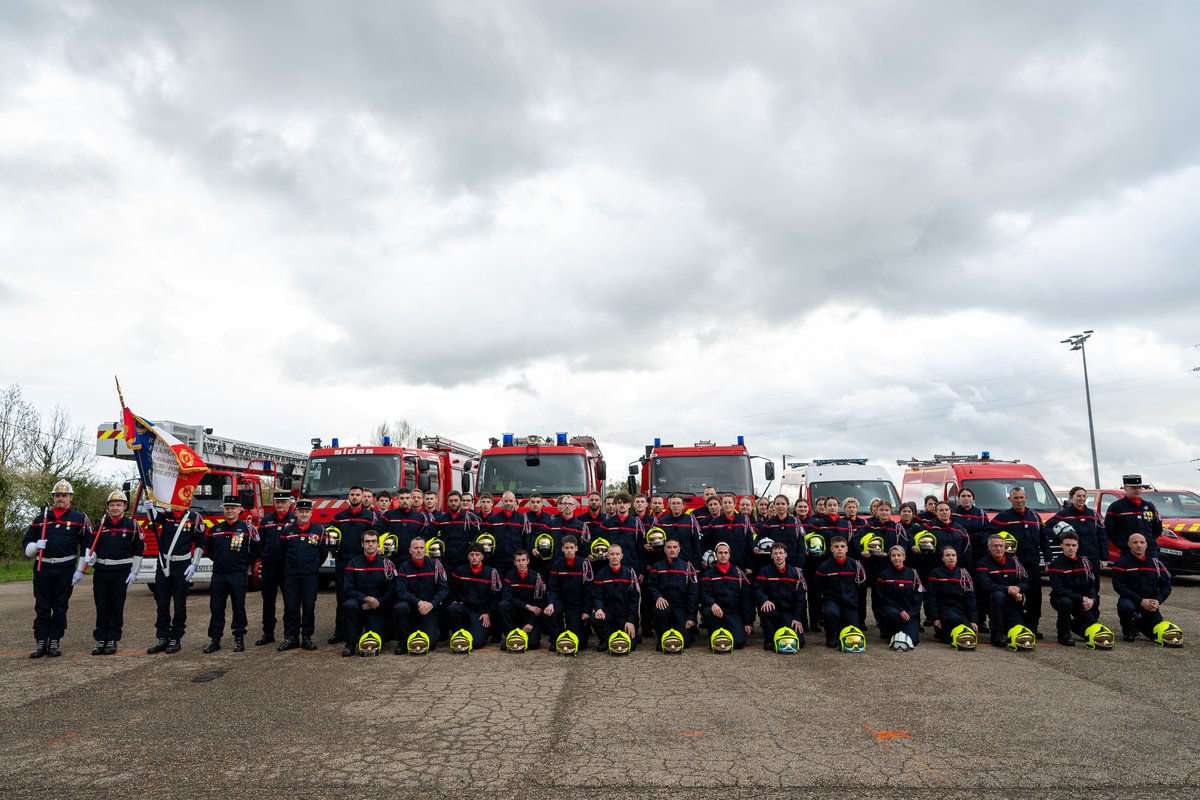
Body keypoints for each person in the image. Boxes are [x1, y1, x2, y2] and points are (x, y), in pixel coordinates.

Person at [24, 479, 92, 658]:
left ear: (70, 498)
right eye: (57, 496)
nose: (61, 499)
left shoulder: (79, 518)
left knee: (60, 607)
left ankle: (54, 640)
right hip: (43, 568)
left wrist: (80, 570)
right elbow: (27, 543)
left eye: (64, 495)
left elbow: (87, 545)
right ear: (53, 498)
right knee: (42, 606)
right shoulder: (41, 519)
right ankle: (40, 641)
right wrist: (35, 546)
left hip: (65, 569)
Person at [143, 495, 205, 654]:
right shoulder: (167, 516)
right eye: (175, 502)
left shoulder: (195, 518)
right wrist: (150, 507)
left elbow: (200, 543)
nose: (178, 505)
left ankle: (176, 637)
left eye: (182, 502)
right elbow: (154, 517)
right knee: (161, 603)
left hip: (182, 565)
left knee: (179, 604)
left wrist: (195, 564)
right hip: (163, 564)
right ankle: (162, 637)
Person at [86, 490, 143, 655]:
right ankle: (101, 639)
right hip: (102, 572)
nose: (115, 508)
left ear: (125, 506)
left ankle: (112, 639)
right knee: (102, 605)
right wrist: (91, 556)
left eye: (118, 504)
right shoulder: (100, 526)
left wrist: (135, 572)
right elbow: (90, 546)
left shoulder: (132, 526)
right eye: (112, 505)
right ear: (107, 507)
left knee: (116, 606)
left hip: (122, 572)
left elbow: (139, 550)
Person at [202, 496, 260, 653]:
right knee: (216, 607)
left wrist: (243, 563)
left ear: (239, 510)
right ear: (224, 510)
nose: (230, 511)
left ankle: (239, 638)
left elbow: (256, 549)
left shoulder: (248, 529)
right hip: (219, 575)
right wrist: (222, 561)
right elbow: (209, 550)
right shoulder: (215, 529)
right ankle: (215, 639)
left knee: (238, 607)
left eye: (233, 508)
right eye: (227, 508)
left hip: (238, 574)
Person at [988, 487, 1046, 638]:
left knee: (1035, 596)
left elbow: (1044, 538)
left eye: (1021, 497)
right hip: (1013, 564)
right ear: (1009, 499)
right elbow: (989, 535)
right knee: (1015, 595)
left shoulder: (1035, 517)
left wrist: (1048, 559)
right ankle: (1017, 625)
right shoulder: (1002, 517)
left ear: (1026, 498)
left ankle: (1033, 626)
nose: (1019, 500)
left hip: (1032, 563)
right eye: (1016, 498)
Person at [328, 486, 382, 644]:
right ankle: (340, 631)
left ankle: (363, 629)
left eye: (358, 495)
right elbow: (331, 534)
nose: (355, 497)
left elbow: (375, 537)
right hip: (343, 561)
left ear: (362, 497)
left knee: (364, 594)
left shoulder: (370, 517)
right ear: (348, 497)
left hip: (363, 562)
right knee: (342, 597)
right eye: (352, 494)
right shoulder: (339, 517)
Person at [278, 499, 328, 651]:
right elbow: (282, 551)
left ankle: (306, 637)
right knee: (291, 607)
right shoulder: (288, 531)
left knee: (308, 606)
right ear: (296, 513)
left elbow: (323, 553)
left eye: (307, 511)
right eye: (301, 511)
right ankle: (291, 638)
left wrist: (313, 566)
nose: (304, 514)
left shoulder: (319, 530)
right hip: (291, 575)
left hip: (309, 576)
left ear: (311, 513)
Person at [340, 530, 396, 656]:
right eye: (367, 541)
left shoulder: (387, 564)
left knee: (377, 640)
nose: (370, 544)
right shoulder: (353, 563)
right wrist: (365, 599)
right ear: (362, 544)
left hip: (379, 606)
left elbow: (392, 590)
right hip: (359, 604)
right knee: (349, 605)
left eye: (373, 541)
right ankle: (350, 644)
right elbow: (348, 589)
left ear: (378, 544)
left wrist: (379, 602)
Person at [1111, 533, 1172, 642]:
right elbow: (1119, 587)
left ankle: (1136, 623)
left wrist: (1158, 600)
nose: (1139, 545)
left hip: (1150, 602)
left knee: (1156, 635)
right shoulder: (1120, 563)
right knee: (1126, 607)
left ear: (1146, 545)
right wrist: (1140, 600)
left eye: (1142, 542)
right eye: (1135, 542)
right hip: (1131, 600)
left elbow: (1166, 585)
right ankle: (1128, 629)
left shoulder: (1156, 563)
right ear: (1129, 545)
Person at [393, 536, 449, 654]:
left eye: (421, 548)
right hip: (412, 607)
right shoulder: (404, 567)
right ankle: (403, 641)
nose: (418, 550)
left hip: (430, 608)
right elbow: (400, 591)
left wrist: (432, 604)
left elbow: (444, 589)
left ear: (425, 550)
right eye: (416, 548)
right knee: (400, 607)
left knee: (431, 644)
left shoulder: (436, 565)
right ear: (410, 550)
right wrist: (418, 602)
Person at [255, 493, 295, 646]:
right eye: (277, 502)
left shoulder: (294, 520)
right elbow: (261, 542)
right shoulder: (266, 521)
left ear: (289, 504)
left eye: (283, 502)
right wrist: (264, 557)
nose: (280, 505)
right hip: (270, 568)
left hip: (288, 568)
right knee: (268, 601)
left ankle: (289, 633)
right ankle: (268, 633)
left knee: (289, 602)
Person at [974, 534, 1029, 648]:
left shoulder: (1015, 562)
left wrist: (1018, 588)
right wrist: (1008, 589)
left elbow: (1026, 582)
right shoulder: (982, 563)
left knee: (1019, 630)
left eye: (1001, 546)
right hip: (990, 602)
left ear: (1005, 547)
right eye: (994, 546)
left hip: (1011, 602)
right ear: (989, 547)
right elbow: (986, 585)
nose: (998, 549)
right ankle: (996, 634)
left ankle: (1007, 628)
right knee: (998, 595)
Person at [645, 537, 700, 649]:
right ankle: (661, 640)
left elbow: (693, 594)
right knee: (660, 609)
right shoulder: (657, 566)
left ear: (679, 549)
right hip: (665, 605)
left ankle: (683, 630)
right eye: (669, 547)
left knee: (685, 642)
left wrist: (691, 617)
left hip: (681, 607)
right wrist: (658, 597)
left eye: (675, 547)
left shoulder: (688, 567)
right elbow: (651, 586)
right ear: (664, 549)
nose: (672, 550)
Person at [1047, 530, 1099, 646]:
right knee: (1066, 603)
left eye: (1074, 545)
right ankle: (1063, 635)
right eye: (1067, 545)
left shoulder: (1085, 561)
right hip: (1061, 598)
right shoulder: (1056, 564)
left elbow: (1092, 584)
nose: (1071, 548)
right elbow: (1058, 590)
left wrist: (1092, 599)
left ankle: (1072, 625)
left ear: (1078, 546)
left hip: (1082, 599)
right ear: (1061, 545)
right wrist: (1081, 598)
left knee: (1092, 625)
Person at [699, 543, 755, 650]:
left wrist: (748, 622)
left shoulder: (739, 574)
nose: (723, 555)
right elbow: (703, 594)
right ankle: (715, 635)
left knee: (738, 643)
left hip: (734, 613)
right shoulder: (708, 574)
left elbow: (746, 599)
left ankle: (728, 630)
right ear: (716, 555)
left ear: (730, 555)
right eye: (720, 553)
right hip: (716, 612)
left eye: (725, 553)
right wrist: (712, 604)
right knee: (706, 611)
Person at [447, 543, 502, 651]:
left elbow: (497, 597)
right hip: (464, 608)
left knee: (476, 643)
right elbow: (451, 589)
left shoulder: (491, 573)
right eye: (472, 554)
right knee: (452, 609)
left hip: (481, 612)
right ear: (468, 556)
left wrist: (488, 613)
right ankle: (459, 636)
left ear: (482, 556)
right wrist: (453, 600)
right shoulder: (460, 571)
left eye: (477, 554)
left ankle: (479, 631)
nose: (474, 557)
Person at [754, 542, 807, 651]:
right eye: (775, 553)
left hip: (788, 613)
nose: (778, 556)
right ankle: (769, 640)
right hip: (772, 611)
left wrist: (797, 618)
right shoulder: (764, 571)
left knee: (800, 642)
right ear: (771, 555)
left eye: (781, 553)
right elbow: (757, 589)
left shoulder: (795, 573)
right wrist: (765, 600)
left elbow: (800, 598)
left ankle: (781, 629)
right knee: (766, 609)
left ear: (786, 555)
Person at [589, 543, 641, 651]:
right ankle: (606, 640)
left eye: (617, 554)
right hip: (609, 613)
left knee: (631, 646)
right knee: (595, 618)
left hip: (625, 615)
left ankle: (628, 632)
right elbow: (597, 595)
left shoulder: (630, 573)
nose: (614, 557)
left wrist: (631, 620)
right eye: (612, 554)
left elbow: (634, 599)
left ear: (622, 555)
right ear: (607, 556)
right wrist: (598, 608)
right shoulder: (601, 574)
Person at [815, 536, 865, 648]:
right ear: (831, 549)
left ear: (847, 548)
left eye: (842, 546)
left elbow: (861, 585)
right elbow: (818, 586)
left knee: (854, 629)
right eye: (836, 547)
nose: (840, 549)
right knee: (831, 613)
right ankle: (831, 636)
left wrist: (852, 597)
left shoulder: (856, 566)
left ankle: (842, 629)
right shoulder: (824, 567)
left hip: (850, 601)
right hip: (832, 600)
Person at [924, 546, 978, 645]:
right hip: (944, 610)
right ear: (942, 558)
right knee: (953, 627)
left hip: (960, 610)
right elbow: (930, 597)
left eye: (953, 555)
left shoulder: (964, 574)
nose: (951, 558)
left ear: (957, 557)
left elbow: (971, 599)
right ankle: (942, 632)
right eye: (947, 555)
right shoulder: (935, 573)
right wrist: (935, 618)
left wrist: (973, 620)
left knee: (970, 632)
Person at [545, 534, 592, 647]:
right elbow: (553, 588)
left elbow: (589, 590)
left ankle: (579, 633)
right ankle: (557, 638)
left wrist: (586, 610)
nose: (569, 550)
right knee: (549, 613)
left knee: (579, 645)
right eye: (566, 548)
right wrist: (551, 604)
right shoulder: (557, 565)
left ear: (576, 548)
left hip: (577, 604)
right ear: (562, 549)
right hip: (561, 601)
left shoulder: (584, 564)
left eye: (571, 547)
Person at [1047, 487, 1108, 571]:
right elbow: (1046, 528)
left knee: (1093, 583)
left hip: (1093, 556)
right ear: (1071, 498)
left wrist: (1104, 557)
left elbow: (1102, 536)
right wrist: (1062, 537)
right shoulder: (1064, 514)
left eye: (1084, 496)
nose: (1082, 499)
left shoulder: (1092, 514)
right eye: (1079, 496)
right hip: (1074, 557)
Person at [498, 550, 547, 650]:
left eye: (523, 560)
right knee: (502, 605)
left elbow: (541, 603)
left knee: (533, 645)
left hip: (531, 616)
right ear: (515, 562)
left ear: (528, 561)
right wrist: (527, 606)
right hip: (516, 613)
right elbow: (506, 597)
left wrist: (531, 623)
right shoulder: (509, 576)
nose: (521, 563)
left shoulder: (537, 577)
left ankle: (522, 637)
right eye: (518, 560)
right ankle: (511, 637)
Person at [875, 546, 923, 646]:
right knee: (893, 636)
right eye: (893, 555)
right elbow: (881, 597)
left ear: (904, 557)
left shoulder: (913, 574)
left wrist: (910, 613)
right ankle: (889, 630)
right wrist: (900, 609)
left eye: (899, 555)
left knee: (913, 641)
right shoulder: (884, 574)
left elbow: (918, 598)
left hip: (909, 612)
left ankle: (906, 628)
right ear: (890, 558)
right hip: (892, 610)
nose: (896, 558)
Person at [1105, 475, 1162, 557]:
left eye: (1139, 487)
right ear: (1125, 488)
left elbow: (1157, 528)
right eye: (1134, 488)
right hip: (1128, 551)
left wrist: (1149, 540)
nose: (1138, 490)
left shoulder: (1149, 506)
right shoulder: (1116, 507)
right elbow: (1109, 529)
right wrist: (1122, 543)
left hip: (1149, 551)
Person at [702, 493, 754, 570]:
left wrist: (749, 566)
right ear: (721, 505)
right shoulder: (715, 522)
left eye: (730, 502)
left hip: (740, 563)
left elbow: (749, 543)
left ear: (735, 504)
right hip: (720, 564)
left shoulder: (744, 520)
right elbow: (706, 543)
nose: (727, 505)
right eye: (725, 503)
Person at [484, 491, 530, 577]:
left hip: (516, 561)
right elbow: (485, 537)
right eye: (506, 501)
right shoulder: (493, 519)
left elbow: (526, 541)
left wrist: (524, 559)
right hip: (498, 561)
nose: (508, 503)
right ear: (502, 502)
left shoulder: (522, 519)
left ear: (514, 502)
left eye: (510, 501)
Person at [434, 490, 482, 572]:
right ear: (447, 503)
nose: (453, 503)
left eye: (456, 500)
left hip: (464, 562)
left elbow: (475, 538)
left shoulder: (471, 519)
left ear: (460, 502)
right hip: (446, 562)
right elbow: (431, 536)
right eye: (451, 501)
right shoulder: (440, 520)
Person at [656, 494, 704, 569]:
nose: (676, 506)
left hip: (686, 562)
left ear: (683, 505)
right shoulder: (662, 522)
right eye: (673, 503)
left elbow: (696, 544)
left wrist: (696, 565)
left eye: (678, 503)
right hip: (666, 563)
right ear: (669, 505)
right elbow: (658, 545)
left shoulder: (690, 521)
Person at [756, 495, 804, 569]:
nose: (780, 506)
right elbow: (759, 539)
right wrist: (754, 546)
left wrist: (799, 565)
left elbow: (801, 545)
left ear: (787, 505)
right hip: (774, 563)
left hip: (793, 563)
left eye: (783, 504)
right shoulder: (769, 523)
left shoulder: (796, 522)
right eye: (777, 504)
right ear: (774, 505)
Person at [383, 489, 430, 562]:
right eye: (402, 498)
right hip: (392, 558)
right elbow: (376, 531)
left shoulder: (420, 517)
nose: (405, 501)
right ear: (397, 499)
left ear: (411, 499)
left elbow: (425, 536)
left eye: (407, 498)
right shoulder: (388, 515)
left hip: (413, 558)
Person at [952, 488, 989, 565]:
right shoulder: (952, 513)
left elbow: (986, 531)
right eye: (963, 496)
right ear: (959, 498)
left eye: (969, 496)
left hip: (979, 550)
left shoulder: (981, 514)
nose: (966, 498)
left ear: (973, 499)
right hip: (959, 550)